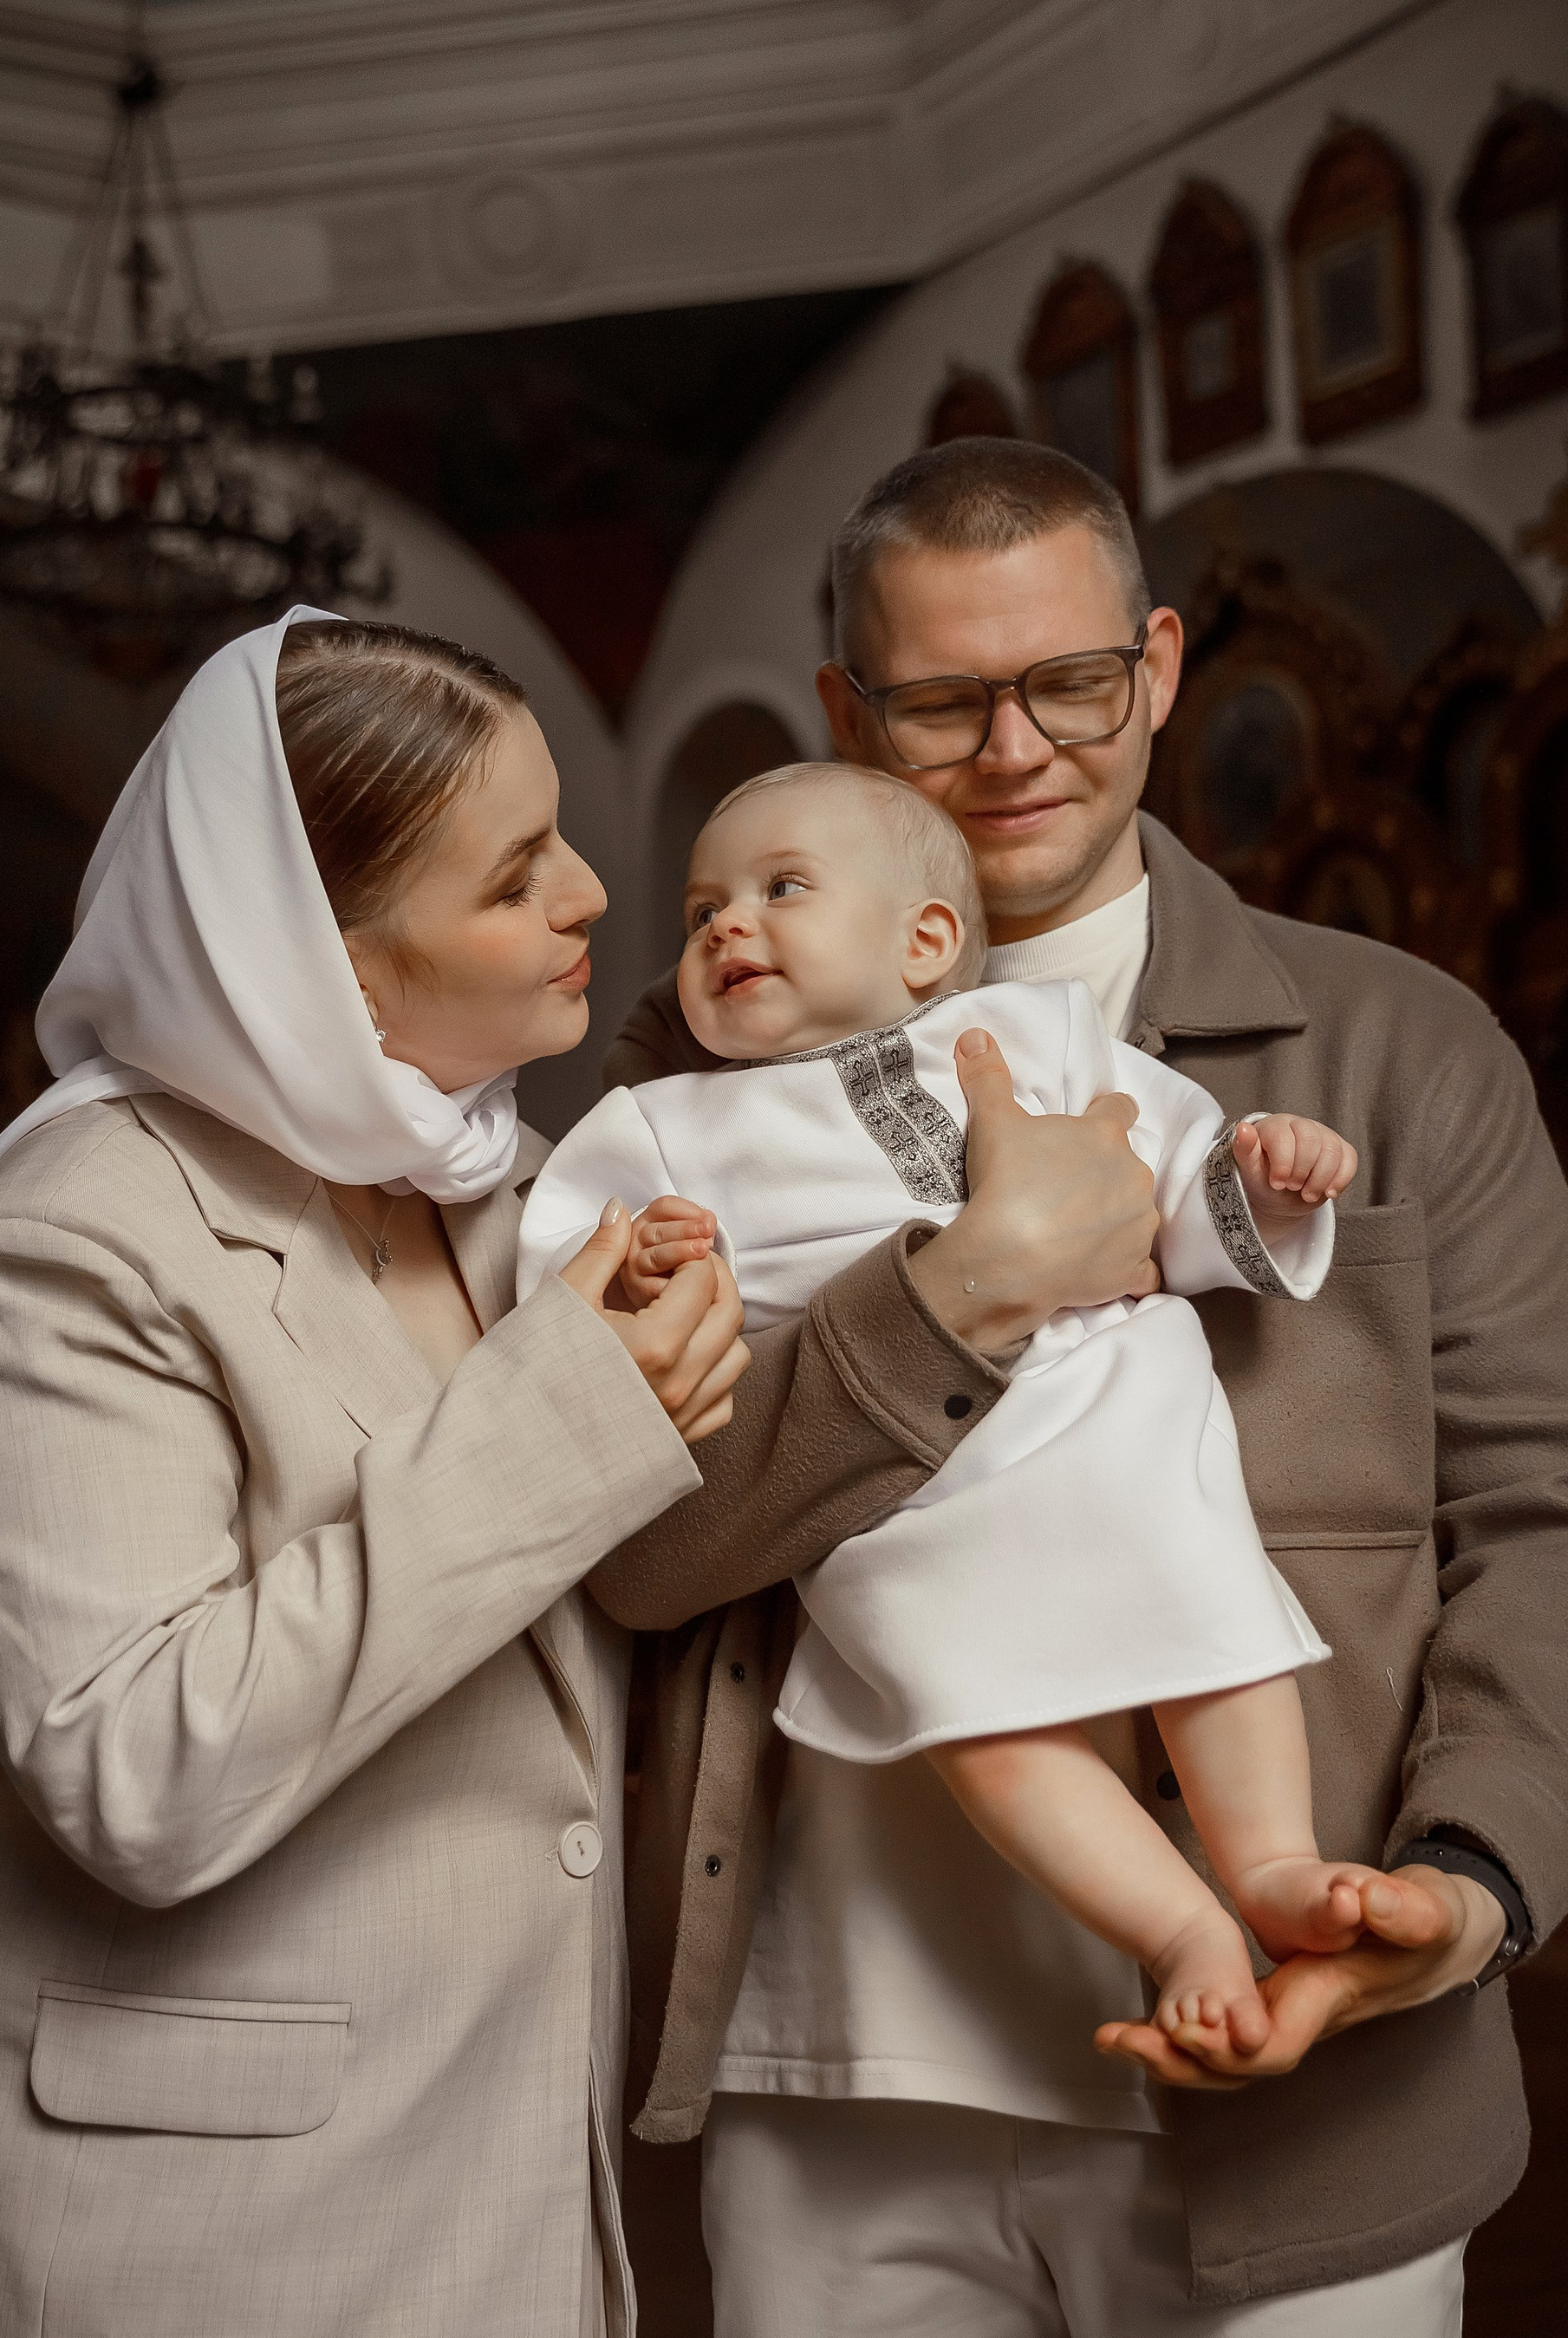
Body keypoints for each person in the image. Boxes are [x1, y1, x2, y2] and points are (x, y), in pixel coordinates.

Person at [0, 600, 1154, 2338]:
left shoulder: (512, 1189)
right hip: (211, 2304)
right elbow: (131, 1764)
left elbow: (681, 1560)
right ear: (330, 958)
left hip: (489, 2273)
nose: (593, 899)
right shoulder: (68, 1232)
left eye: (564, 837)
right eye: (512, 872)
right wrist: (576, 1418)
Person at [592, 441, 1568, 2338]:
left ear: (1163, 668)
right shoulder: (686, 1075)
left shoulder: (1393, 1044)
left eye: (1073, 683)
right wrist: (965, 1292)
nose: (1014, 755)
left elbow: (1561, 1521)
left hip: (1295, 2073)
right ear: (840, 706)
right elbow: (634, 1558)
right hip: (835, 2083)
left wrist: (1466, 1882)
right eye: (937, 706)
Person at [520, 759, 1421, 2067]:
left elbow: (1169, 1166)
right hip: (903, 1488)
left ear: (926, 940)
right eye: (701, 909)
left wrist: (1265, 1178)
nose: (723, 927)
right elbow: (565, 1282)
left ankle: (1273, 1862)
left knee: (1218, 1623)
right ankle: (1182, 1930)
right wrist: (640, 1261)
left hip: (1112, 1413)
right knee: (979, 1718)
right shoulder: (664, 1126)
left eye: (780, 890)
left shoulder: (1040, 1036)